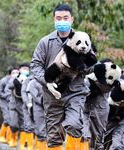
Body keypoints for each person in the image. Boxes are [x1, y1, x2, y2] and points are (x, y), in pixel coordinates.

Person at [30, 3, 92, 150]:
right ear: (54, 20)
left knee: (75, 125)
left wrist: (79, 66)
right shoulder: (45, 42)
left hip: (75, 92)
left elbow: (92, 66)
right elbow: (35, 65)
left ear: (72, 20)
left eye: (65, 18)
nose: (62, 21)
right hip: (52, 94)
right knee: (53, 135)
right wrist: (47, 81)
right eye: (58, 18)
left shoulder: (82, 38)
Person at [27, 78, 47, 150]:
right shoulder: (33, 82)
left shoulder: (50, 80)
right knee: (40, 130)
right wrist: (44, 101)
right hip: (39, 108)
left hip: (51, 108)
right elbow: (35, 97)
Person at [0, 68, 12, 143]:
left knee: (12, 120)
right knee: (7, 119)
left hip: (11, 102)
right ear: (9, 73)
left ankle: (9, 138)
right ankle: (1, 136)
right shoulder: (3, 81)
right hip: (4, 102)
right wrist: (7, 95)